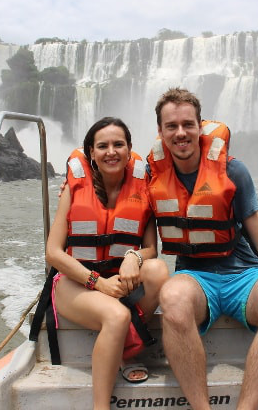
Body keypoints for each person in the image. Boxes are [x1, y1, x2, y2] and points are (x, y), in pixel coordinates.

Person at [146, 88, 258, 410]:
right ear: (161, 132)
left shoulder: (233, 171)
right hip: (195, 276)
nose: (181, 133)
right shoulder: (152, 175)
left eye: (187, 124)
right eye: (171, 126)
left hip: (244, 274)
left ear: (199, 125)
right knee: (172, 298)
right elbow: (111, 185)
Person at [46, 117, 169, 410]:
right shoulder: (74, 187)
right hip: (75, 283)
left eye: (118, 145)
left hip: (119, 280)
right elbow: (53, 252)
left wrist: (133, 256)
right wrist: (97, 282)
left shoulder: (144, 186)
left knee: (158, 271)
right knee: (116, 316)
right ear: (91, 152)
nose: (110, 152)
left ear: (129, 151)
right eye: (102, 146)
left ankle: (124, 349)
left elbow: (151, 249)